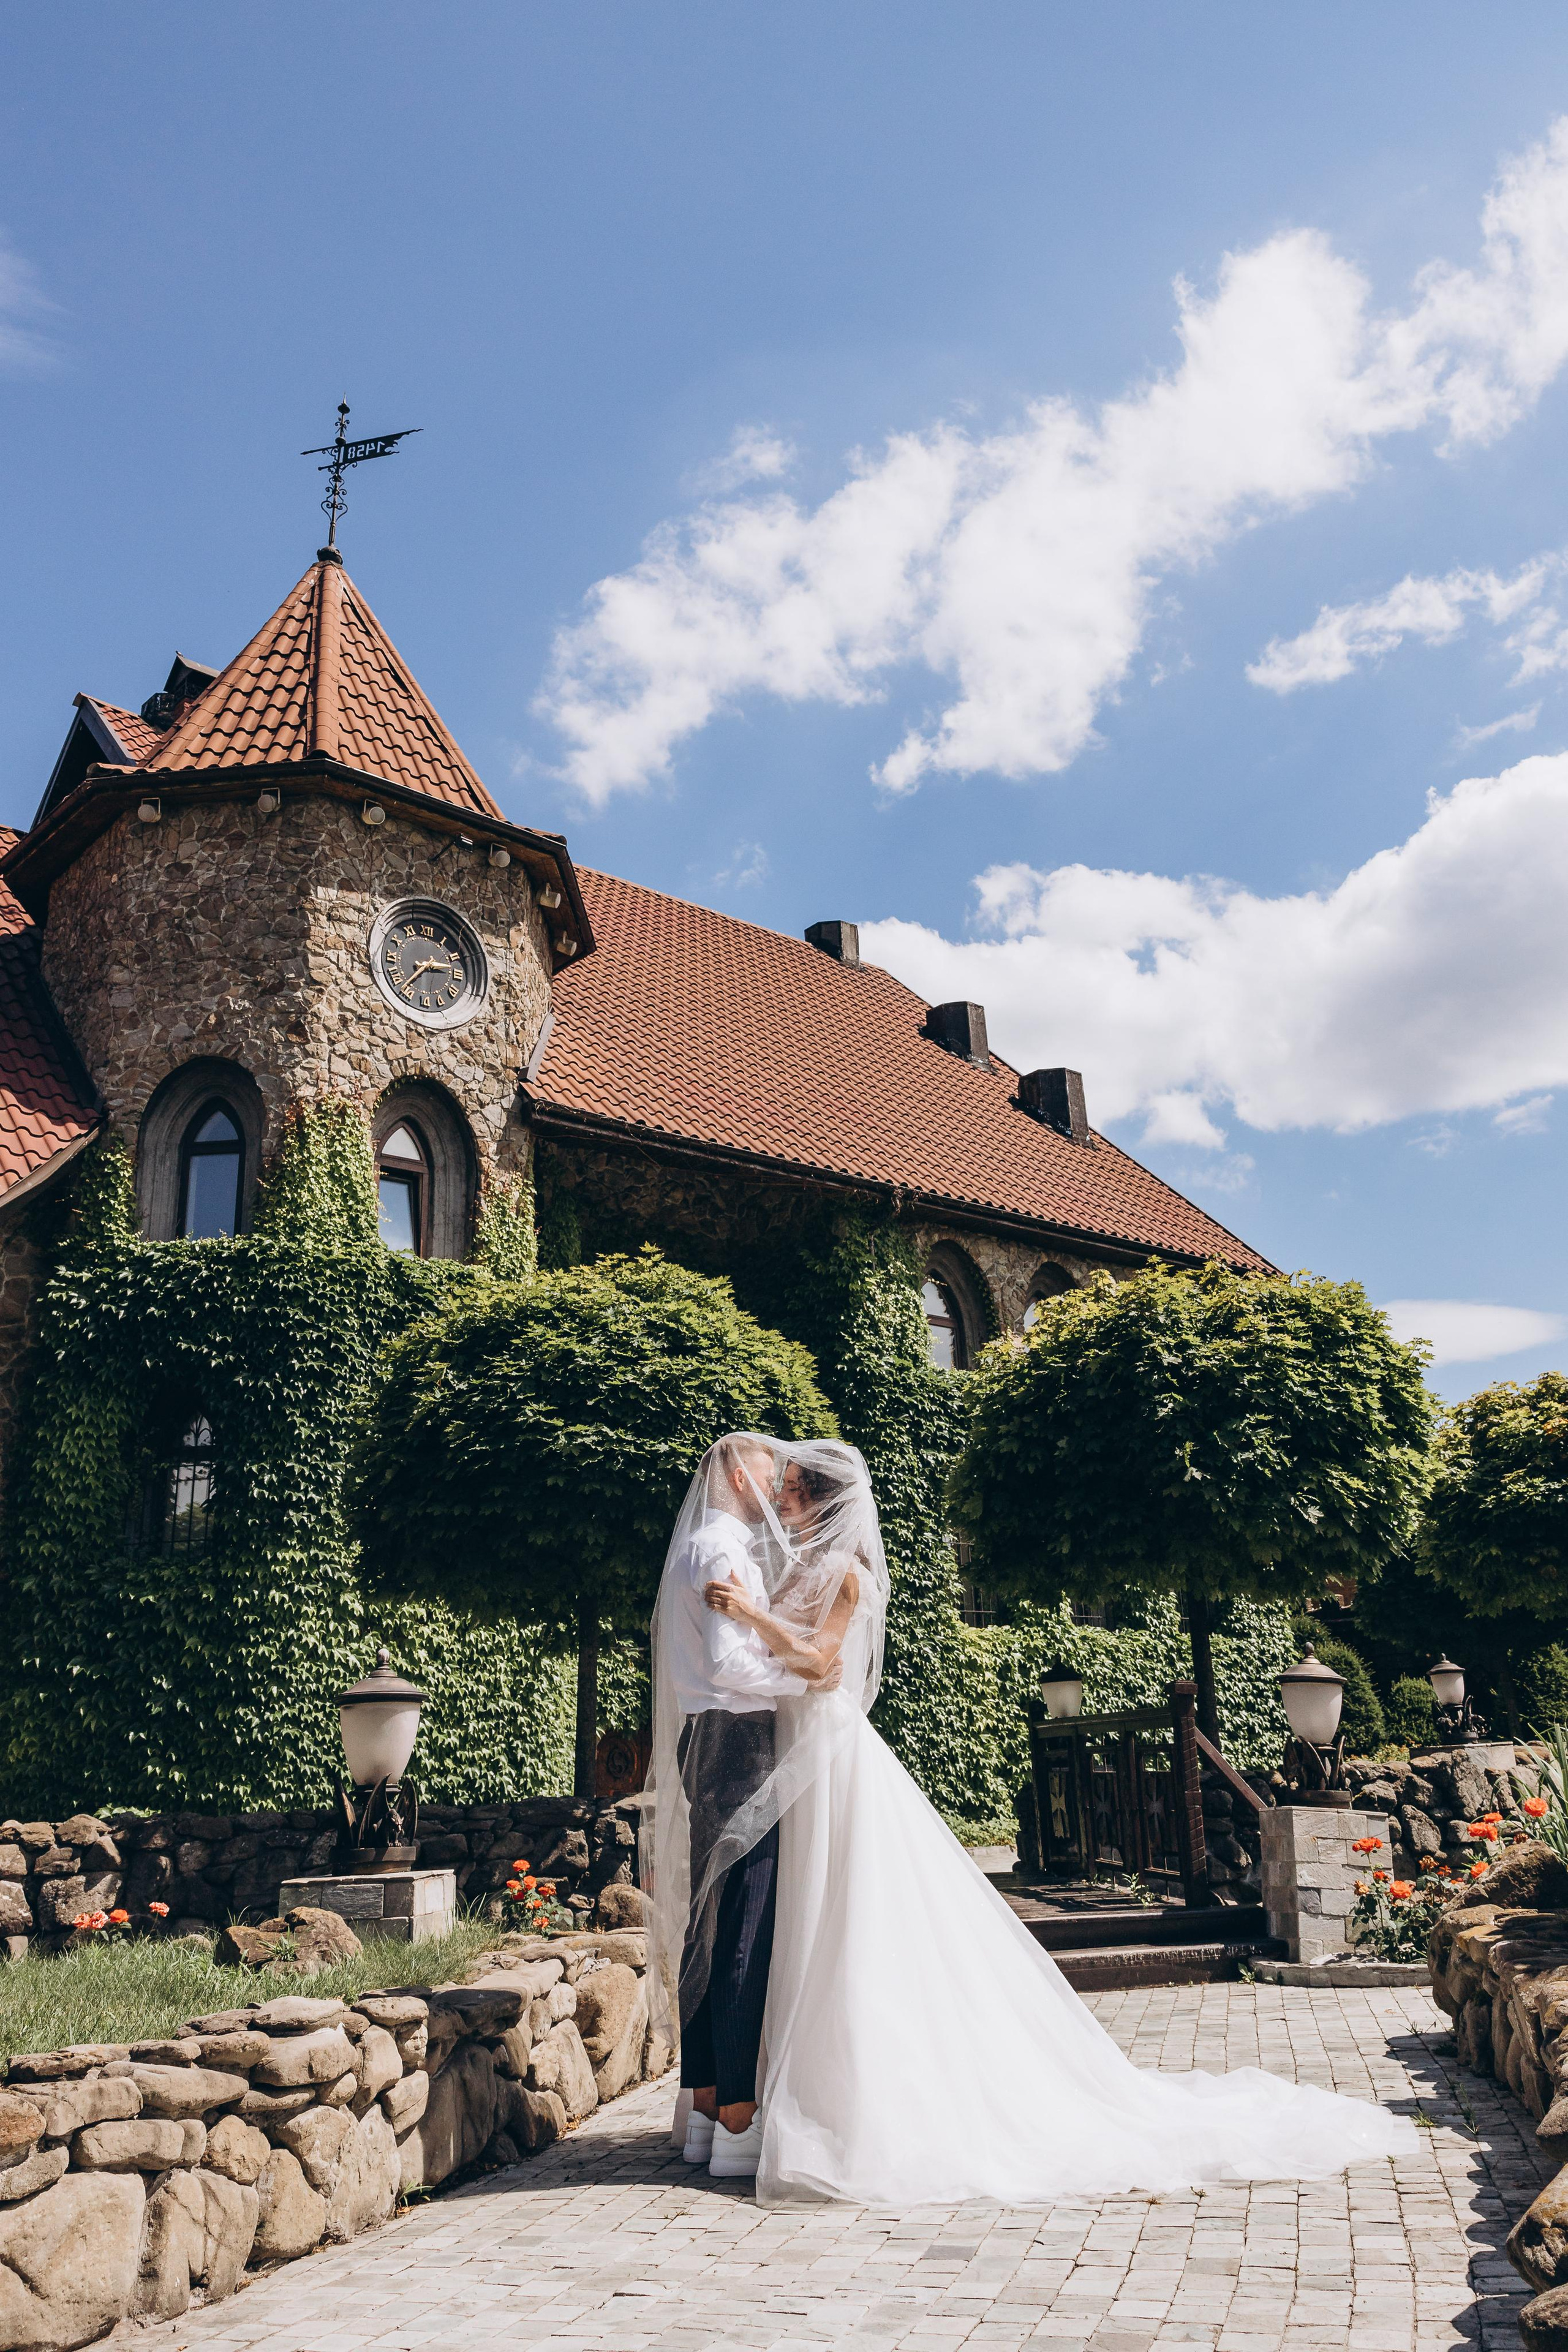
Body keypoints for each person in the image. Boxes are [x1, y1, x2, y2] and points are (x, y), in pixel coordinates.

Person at [644, 1433, 1419, 2207]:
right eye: (775, 1484)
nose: (778, 1494)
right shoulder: (782, 1563)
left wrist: (754, 1616)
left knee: (842, 1910)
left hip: (824, 1750)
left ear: (816, 1501)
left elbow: (824, 1666)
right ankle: (763, 2097)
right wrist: (759, 1623)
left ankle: (817, 2099)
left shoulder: (843, 1573)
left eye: (789, 1489)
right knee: (788, 1916)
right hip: (790, 1754)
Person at [646, 1433, 838, 2180]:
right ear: (735, 1471)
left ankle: (703, 2111)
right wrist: (808, 1688)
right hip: (737, 1742)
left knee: (713, 1918)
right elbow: (730, 1666)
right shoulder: (721, 1548)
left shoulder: (706, 1543)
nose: (775, 1485)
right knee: (742, 1924)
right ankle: (734, 2118)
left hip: (714, 1740)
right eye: (769, 1472)